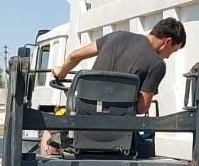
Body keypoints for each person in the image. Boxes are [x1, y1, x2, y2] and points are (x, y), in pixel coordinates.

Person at [53, 18, 187, 116]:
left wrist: (61, 71)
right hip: (119, 132)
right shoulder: (157, 64)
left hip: (84, 119)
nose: (169, 56)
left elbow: (74, 56)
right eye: (173, 51)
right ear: (167, 42)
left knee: (49, 136)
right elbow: (142, 108)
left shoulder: (116, 36)